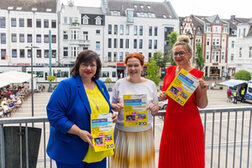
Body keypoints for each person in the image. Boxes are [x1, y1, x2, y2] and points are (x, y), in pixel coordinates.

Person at [46, 50, 117, 168]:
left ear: (97, 67)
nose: (88, 68)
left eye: (92, 65)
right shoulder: (66, 85)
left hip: (98, 149)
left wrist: (111, 115)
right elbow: (55, 115)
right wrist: (79, 132)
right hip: (71, 151)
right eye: (84, 64)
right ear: (78, 66)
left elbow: (102, 107)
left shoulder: (101, 85)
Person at [158, 35, 208, 168]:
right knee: (170, 158)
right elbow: (165, 93)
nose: (178, 56)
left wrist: (203, 90)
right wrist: (162, 95)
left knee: (190, 158)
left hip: (190, 123)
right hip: (171, 123)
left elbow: (202, 105)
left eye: (181, 53)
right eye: (175, 53)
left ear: (190, 54)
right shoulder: (170, 71)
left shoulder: (197, 74)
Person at [111, 53, 159, 168]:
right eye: (130, 66)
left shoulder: (150, 85)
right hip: (123, 133)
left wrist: (153, 108)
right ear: (126, 67)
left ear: (142, 67)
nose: (133, 69)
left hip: (143, 133)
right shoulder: (119, 83)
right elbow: (112, 104)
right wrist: (115, 107)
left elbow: (156, 109)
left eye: (136, 65)